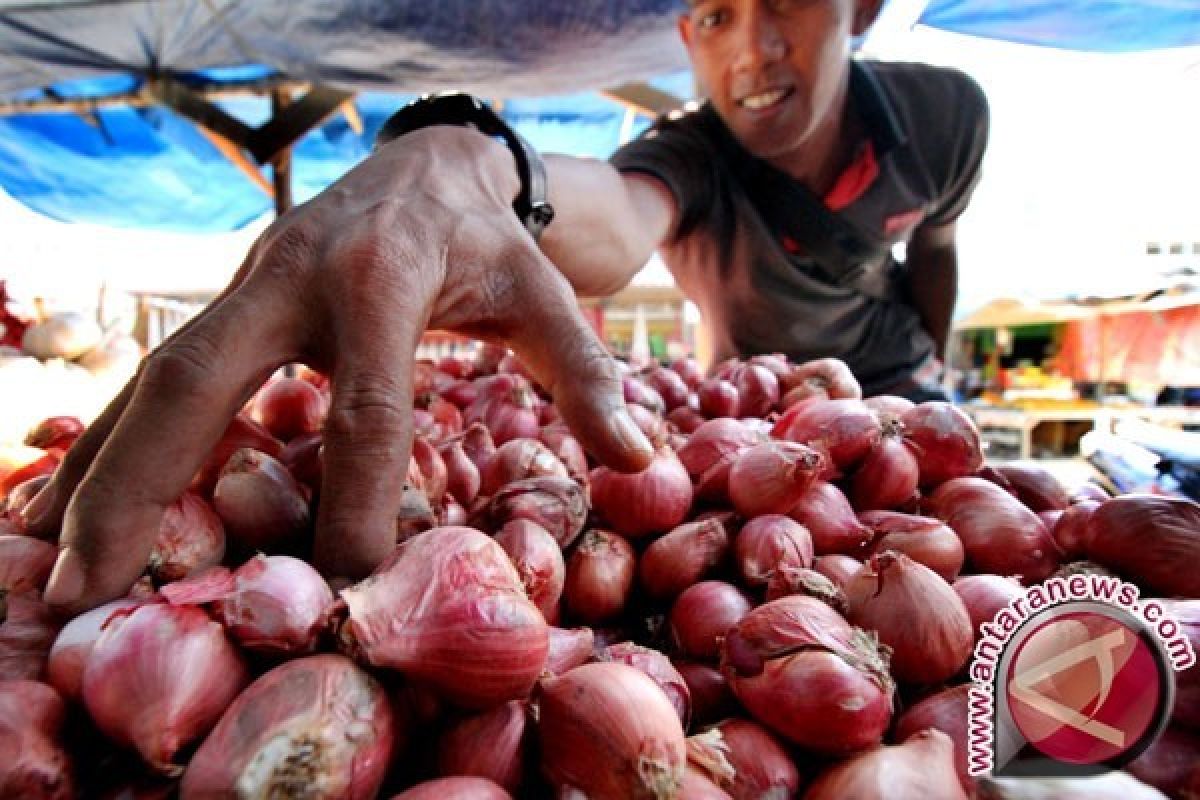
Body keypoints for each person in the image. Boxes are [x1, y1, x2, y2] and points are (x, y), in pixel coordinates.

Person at [29, 0, 988, 614]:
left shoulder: (949, 116)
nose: (752, 49)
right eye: (713, 15)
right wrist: (470, 156)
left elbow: (937, 247)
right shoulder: (690, 154)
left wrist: (932, 366)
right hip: (758, 402)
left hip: (901, 394)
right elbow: (611, 219)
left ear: (861, 7)